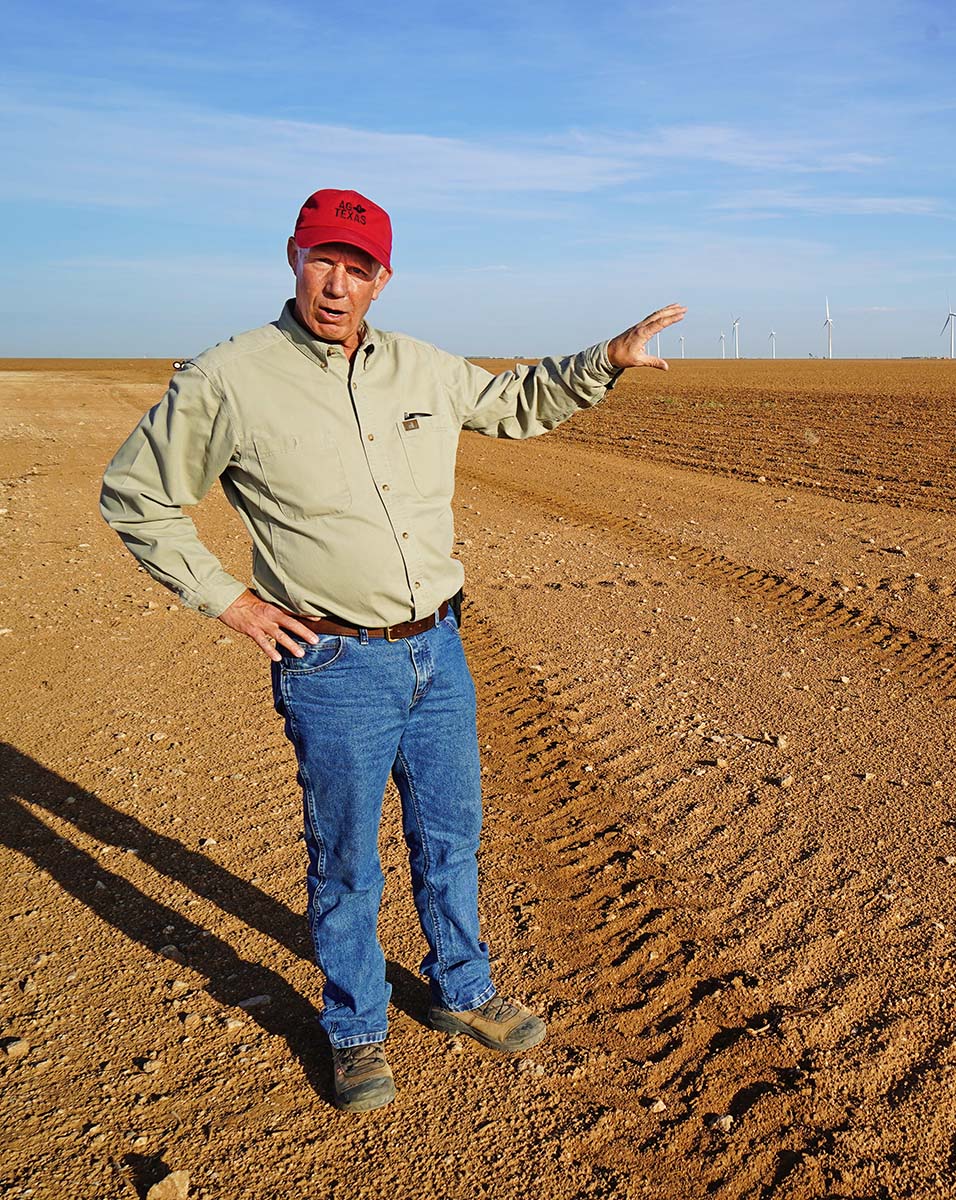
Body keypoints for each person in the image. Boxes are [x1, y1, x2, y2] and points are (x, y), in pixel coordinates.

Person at [99, 187, 685, 1113]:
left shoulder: (421, 368)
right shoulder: (228, 377)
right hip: (335, 666)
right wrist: (230, 602)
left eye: (359, 267)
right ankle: (356, 1031)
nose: (339, 283)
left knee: (451, 837)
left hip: (437, 652)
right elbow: (136, 495)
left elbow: (515, 403)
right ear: (294, 256)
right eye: (324, 259)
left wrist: (603, 361)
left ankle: (464, 991)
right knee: (345, 861)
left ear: (384, 278)